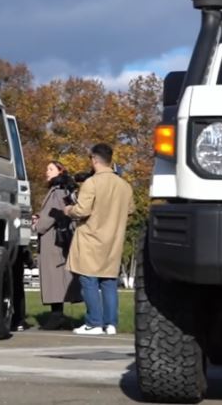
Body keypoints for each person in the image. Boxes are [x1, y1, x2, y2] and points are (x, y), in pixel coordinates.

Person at [64, 144, 134, 336]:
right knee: (109, 281)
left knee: (88, 279)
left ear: (94, 159)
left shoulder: (92, 183)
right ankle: (110, 324)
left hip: (91, 237)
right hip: (114, 239)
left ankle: (94, 322)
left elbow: (82, 210)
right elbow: (130, 210)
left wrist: (69, 210)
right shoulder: (124, 185)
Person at [32, 161, 82, 329]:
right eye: (47, 168)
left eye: (51, 169)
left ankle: (56, 316)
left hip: (53, 240)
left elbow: (50, 217)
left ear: (60, 171)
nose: (47, 171)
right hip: (57, 238)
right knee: (56, 277)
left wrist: (37, 226)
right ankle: (57, 315)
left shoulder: (57, 191)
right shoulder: (63, 190)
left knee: (53, 277)